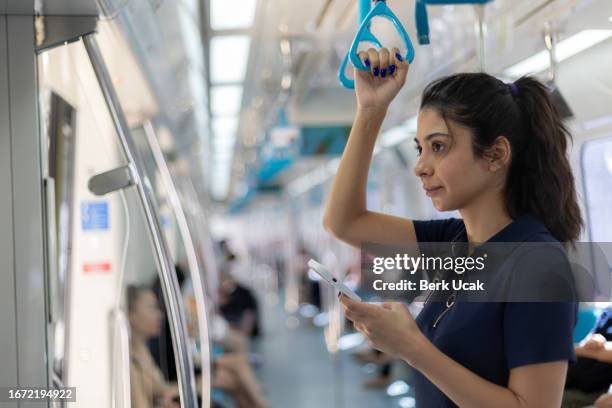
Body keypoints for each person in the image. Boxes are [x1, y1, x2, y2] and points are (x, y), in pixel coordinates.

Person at [324, 47, 582, 406]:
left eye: (439, 147)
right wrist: (371, 110)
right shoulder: (455, 241)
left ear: (495, 155)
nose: (420, 167)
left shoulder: (538, 266)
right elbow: (344, 222)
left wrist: (411, 347)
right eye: (420, 150)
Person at [127, 285, 180, 408]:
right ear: (131, 315)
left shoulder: (141, 349)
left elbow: (162, 389)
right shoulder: (129, 362)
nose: (160, 315)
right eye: (152, 308)